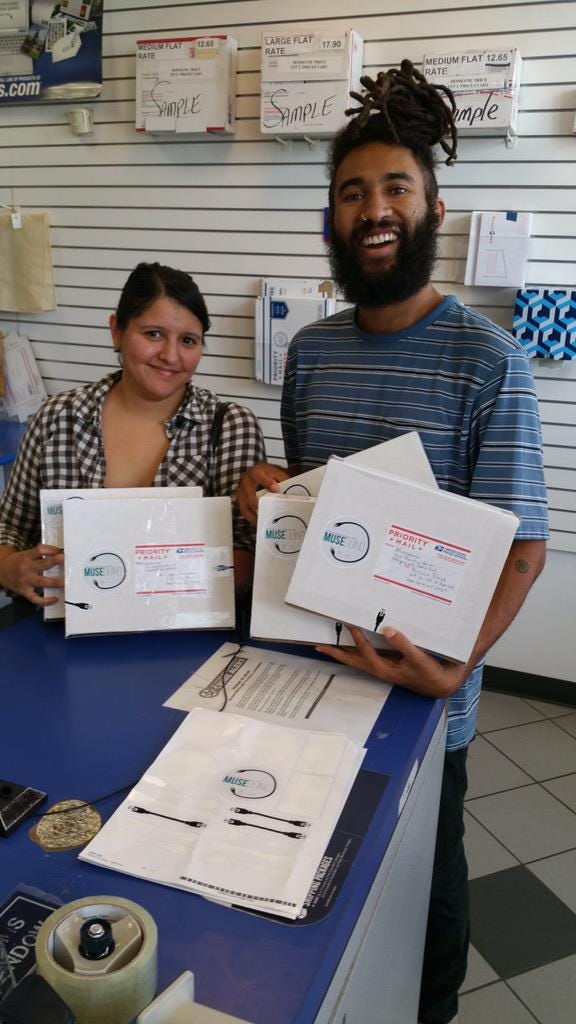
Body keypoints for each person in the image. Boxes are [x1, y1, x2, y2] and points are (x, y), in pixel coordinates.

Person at [236, 61, 548, 1024]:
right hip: (317, 669)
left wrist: (453, 669)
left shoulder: (490, 360)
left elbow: (523, 549)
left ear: (433, 209)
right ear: (329, 221)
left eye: (395, 188)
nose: (374, 209)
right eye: (352, 192)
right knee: (307, 853)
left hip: (423, 696)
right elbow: (315, 508)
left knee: (427, 878)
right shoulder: (311, 350)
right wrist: (270, 498)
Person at [0, 261, 265, 605]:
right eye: (153, 334)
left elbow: (251, 554)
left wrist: (154, 575)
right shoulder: (57, 417)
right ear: (117, 331)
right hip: (61, 625)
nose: (170, 355)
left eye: (188, 340)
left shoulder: (230, 426)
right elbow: (10, 527)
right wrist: (9, 568)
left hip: (186, 628)